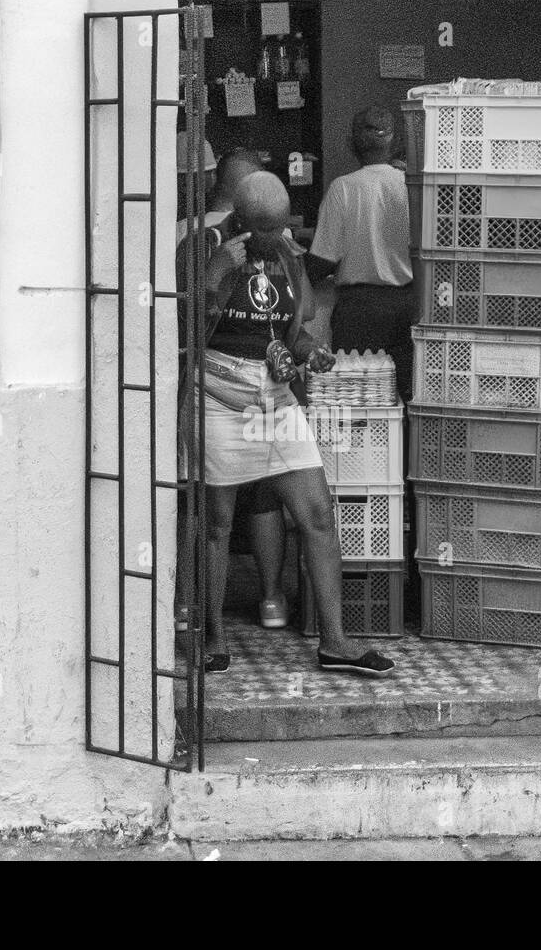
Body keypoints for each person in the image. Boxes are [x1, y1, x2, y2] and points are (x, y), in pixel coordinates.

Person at [184, 171, 397, 676]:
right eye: (262, 229)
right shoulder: (204, 246)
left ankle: (336, 642)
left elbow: (294, 330)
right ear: (239, 218)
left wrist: (311, 352)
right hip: (220, 399)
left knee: (318, 515)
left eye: (279, 228)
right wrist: (215, 273)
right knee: (217, 524)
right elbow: (183, 323)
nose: (273, 238)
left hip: (274, 404)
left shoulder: (284, 254)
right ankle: (213, 636)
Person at [175, 149, 292, 632]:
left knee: (198, 499)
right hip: (231, 382)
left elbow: (175, 309)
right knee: (260, 495)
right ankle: (270, 600)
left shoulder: (184, 229)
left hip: (210, 381)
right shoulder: (272, 240)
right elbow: (296, 314)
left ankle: (186, 605)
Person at [306, 105, 415, 405]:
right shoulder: (411, 185)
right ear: (394, 142)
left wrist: (291, 269)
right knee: (409, 394)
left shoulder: (343, 189)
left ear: (352, 143)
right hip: (409, 305)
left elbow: (322, 260)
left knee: (359, 401)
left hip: (359, 311)